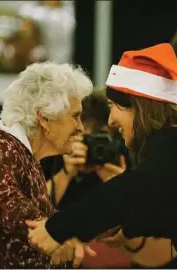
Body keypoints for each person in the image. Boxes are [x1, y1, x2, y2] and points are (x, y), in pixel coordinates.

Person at [27, 43, 177, 268]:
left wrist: (56, 230)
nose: (111, 120)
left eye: (113, 106)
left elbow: (126, 191)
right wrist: (131, 228)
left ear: (137, 107)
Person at [0, 62, 93, 268]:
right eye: (75, 116)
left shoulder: (23, 155)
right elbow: (9, 204)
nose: (79, 127)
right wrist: (56, 235)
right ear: (44, 118)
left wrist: (71, 233)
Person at [41, 90, 131, 268]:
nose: (96, 148)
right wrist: (66, 174)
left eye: (102, 140)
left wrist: (121, 186)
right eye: (89, 140)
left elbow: (138, 231)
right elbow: (36, 213)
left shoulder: (124, 161)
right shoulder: (53, 158)